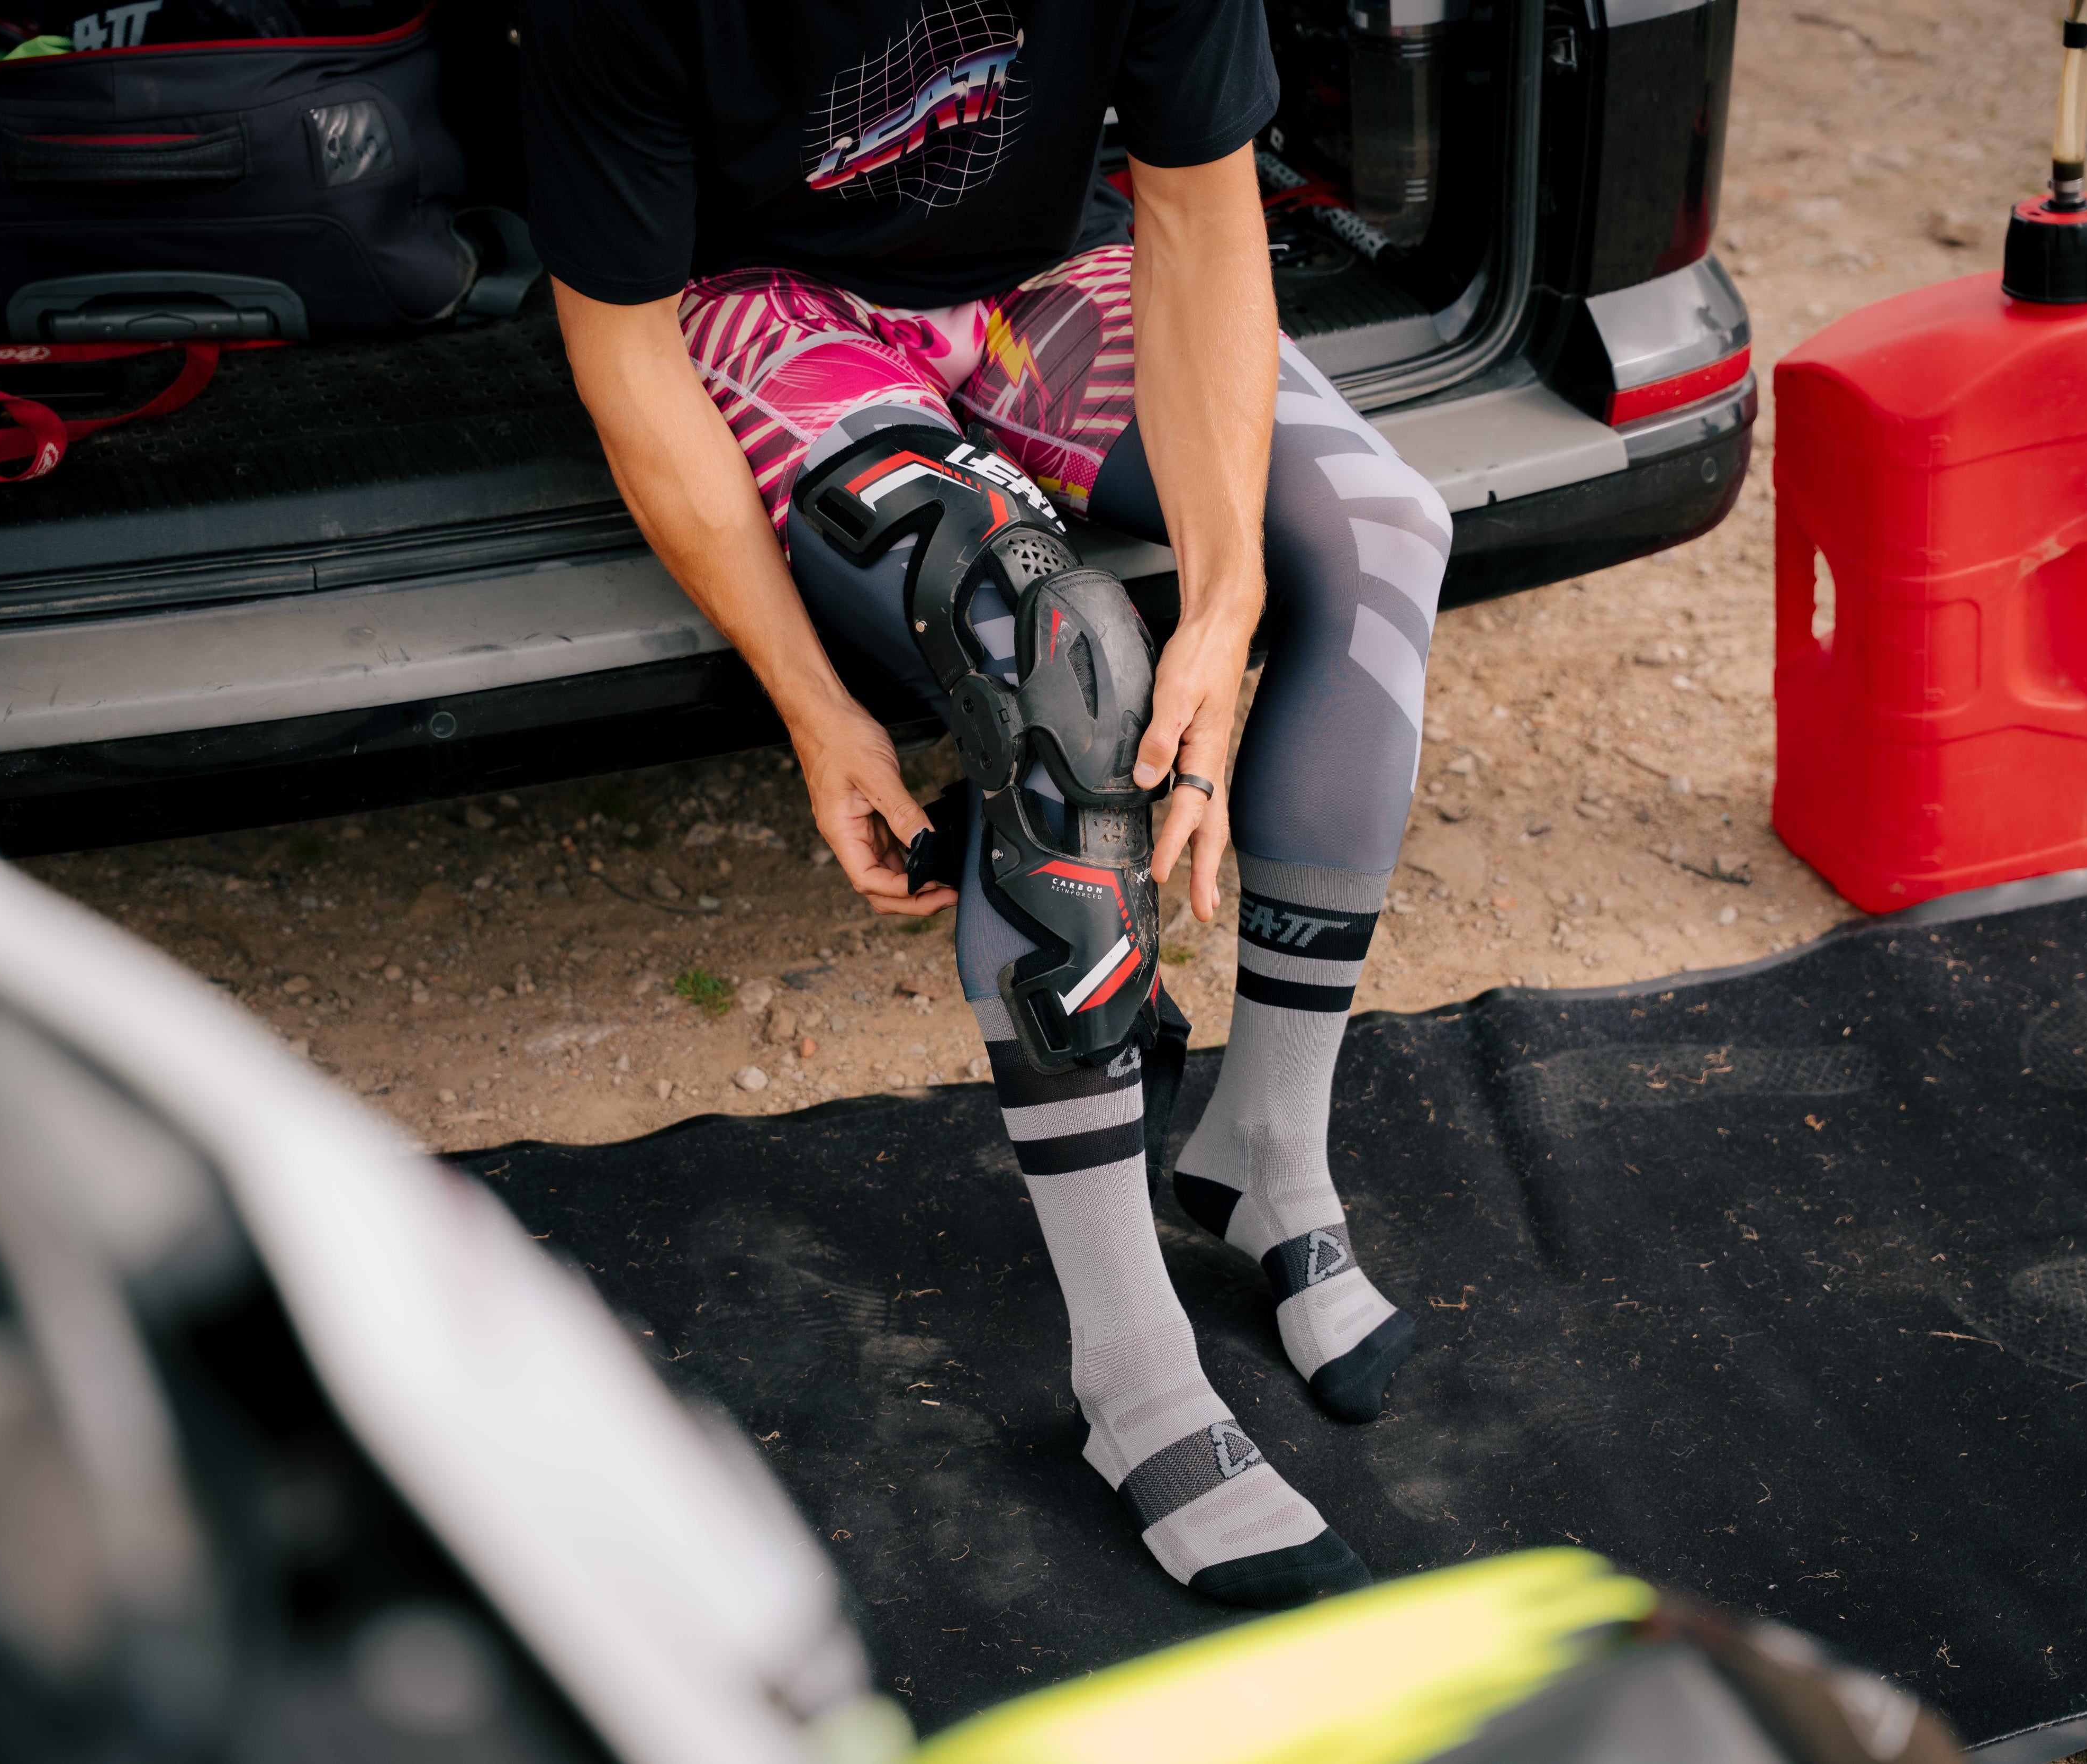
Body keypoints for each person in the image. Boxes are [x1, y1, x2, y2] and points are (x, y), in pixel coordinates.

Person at [519, 0, 1451, 1609]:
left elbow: (1199, 209)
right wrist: (814, 708)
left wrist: (1224, 618)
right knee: (1055, 653)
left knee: (1379, 535)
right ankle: (1135, 1377)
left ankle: (1266, 1154)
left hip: (1042, 287)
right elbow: (619, 347)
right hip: (768, 314)